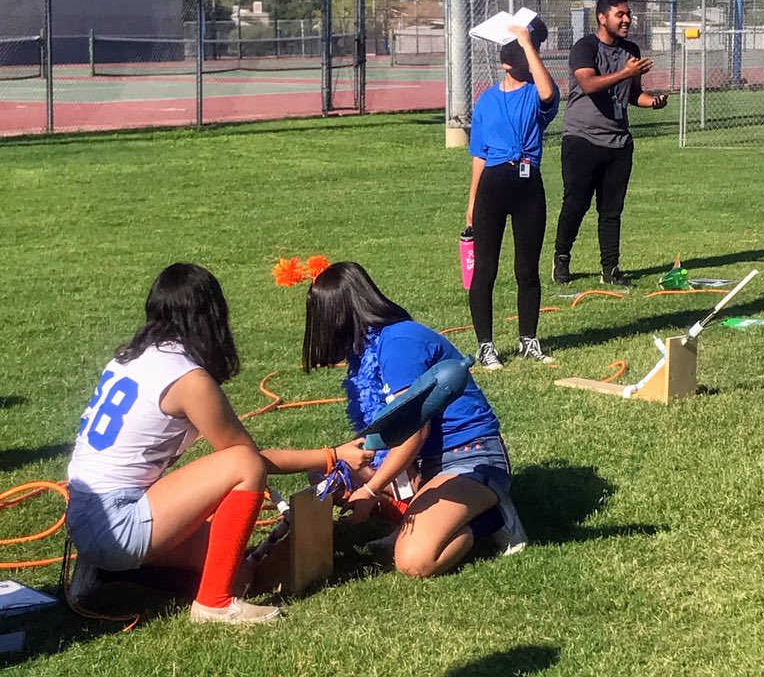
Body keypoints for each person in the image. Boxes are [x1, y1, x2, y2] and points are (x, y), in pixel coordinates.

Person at [66, 262, 372, 626]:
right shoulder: (187, 379)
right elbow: (248, 458)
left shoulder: (129, 358)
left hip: (88, 512)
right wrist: (331, 455)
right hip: (117, 520)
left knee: (238, 573)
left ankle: (107, 572)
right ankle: (212, 603)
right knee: (243, 466)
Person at [302, 261, 528, 579]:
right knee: (326, 472)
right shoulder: (368, 350)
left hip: (471, 457)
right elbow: (388, 435)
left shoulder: (398, 344)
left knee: (414, 561)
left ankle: (492, 518)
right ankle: (424, 512)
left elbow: (413, 433)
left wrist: (370, 490)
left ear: (338, 315)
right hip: (426, 463)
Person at [552, 0, 668, 287]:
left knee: (612, 210)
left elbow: (632, 94)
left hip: (619, 143)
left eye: (628, 14)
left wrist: (653, 101)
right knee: (576, 204)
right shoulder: (584, 47)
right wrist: (624, 72)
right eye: (620, 15)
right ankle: (562, 258)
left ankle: (610, 269)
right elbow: (589, 84)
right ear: (602, 18)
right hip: (582, 139)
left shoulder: (631, 49)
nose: (627, 19)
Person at [466, 19, 560, 369]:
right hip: (493, 185)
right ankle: (485, 345)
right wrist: (472, 201)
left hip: (528, 186)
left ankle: (528, 340)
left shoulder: (538, 91)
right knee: (485, 270)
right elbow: (479, 154)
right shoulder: (486, 101)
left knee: (527, 269)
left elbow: (549, 95)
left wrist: (528, 42)